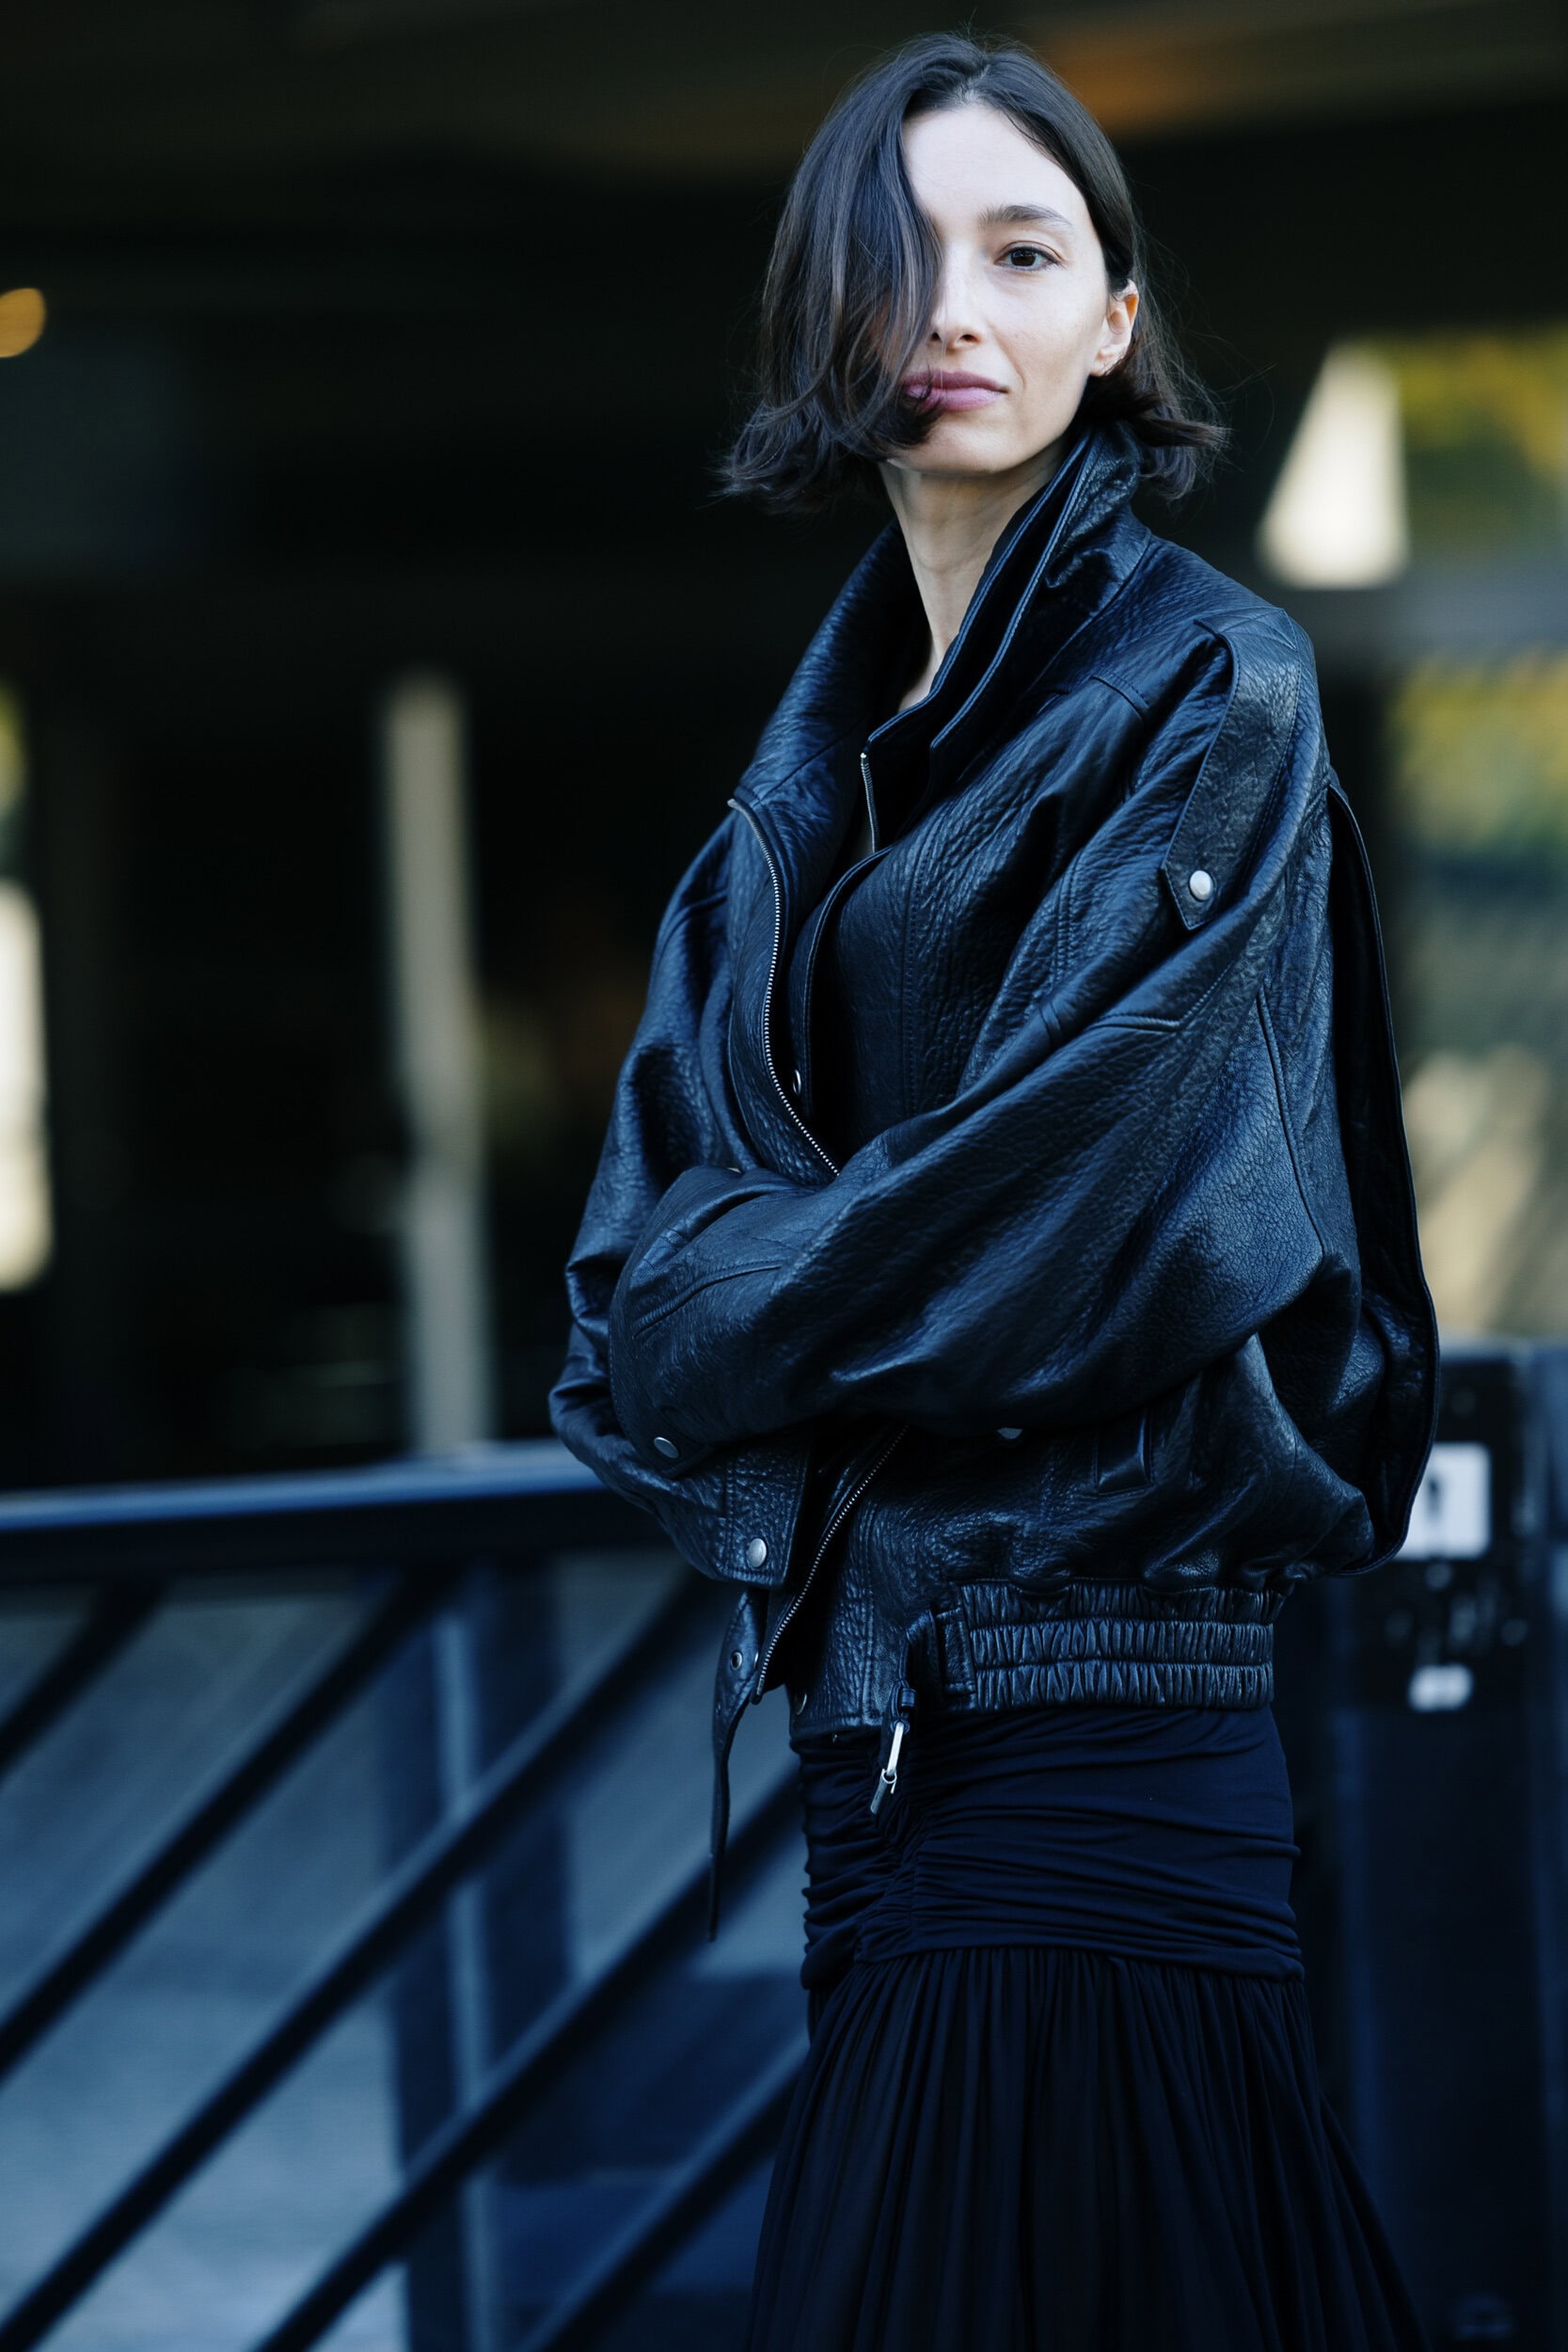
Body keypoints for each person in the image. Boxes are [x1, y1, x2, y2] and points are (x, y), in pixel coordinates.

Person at [551, 30, 1437, 2352]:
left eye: (1024, 253)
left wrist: (748, 1297)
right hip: (872, 1771)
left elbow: (1050, 1248)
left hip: (1098, 1732)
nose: (954, 305)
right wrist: (773, 1294)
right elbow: (616, 1327)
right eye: (902, 254)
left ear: (1114, 322)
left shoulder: (1212, 694)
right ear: (821, 318)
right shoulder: (799, 786)